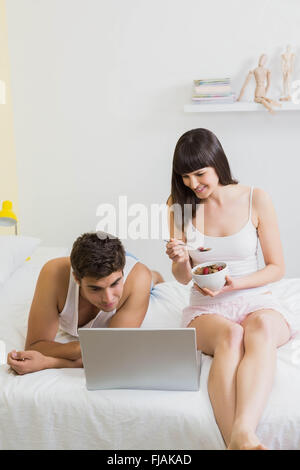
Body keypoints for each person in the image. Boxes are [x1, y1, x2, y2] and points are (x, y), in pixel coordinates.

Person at [165, 128, 297, 450]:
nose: (193, 184)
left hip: (253, 296)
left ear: (217, 164)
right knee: (231, 336)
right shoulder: (178, 205)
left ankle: (242, 433)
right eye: (185, 177)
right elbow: (183, 278)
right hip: (205, 306)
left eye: (200, 174)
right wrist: (180, 258)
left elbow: (276, 267)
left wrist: (236, 283)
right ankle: (235, 442)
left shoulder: (255, 198)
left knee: (261, 329)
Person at [7, 232, 164, 375]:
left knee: (149, 278)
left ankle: (155, 276)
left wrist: (48, 361)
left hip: (136, 274)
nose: (108, 299)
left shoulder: (136, 279)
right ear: (76, 279)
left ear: (122, 272)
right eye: (95, 289)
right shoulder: (53, 273)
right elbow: (35, 345)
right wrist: (79, 348)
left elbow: (111, 354)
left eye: (115, 284)